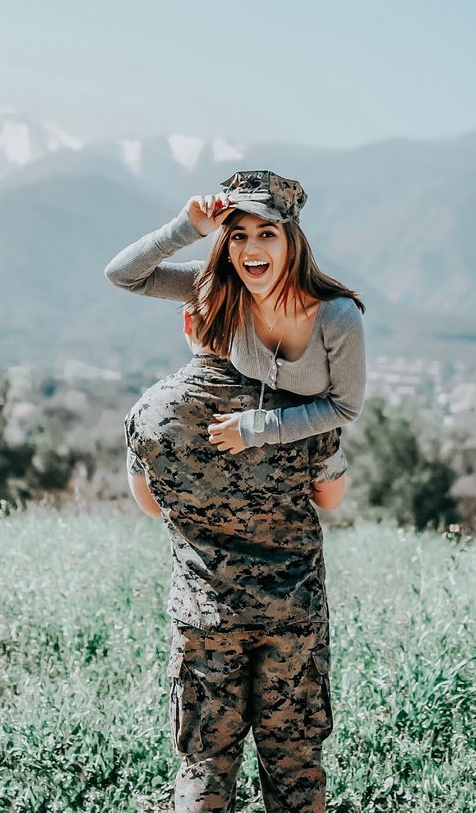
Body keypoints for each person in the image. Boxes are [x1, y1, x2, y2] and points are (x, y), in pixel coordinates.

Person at [125, 306, 349, 813]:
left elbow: (149, 503)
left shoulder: (152, 409)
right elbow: (332, 499)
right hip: (293, 615)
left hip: (204, 616)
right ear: (255, 322)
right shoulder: (297, 408)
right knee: (295, 762)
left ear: (188, 324)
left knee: (205, 763)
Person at [105, 169, 366, 454]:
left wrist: (256, 430)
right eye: (239, 236)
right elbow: (123, 274)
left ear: (292, 245)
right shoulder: (217, 286)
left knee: (328, 501)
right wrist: (186, 227)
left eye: (267, 234)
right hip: (238, 442)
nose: (251, 249)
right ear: (227, 247)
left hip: (307, 448)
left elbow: (345, 406)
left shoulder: (337, 316)